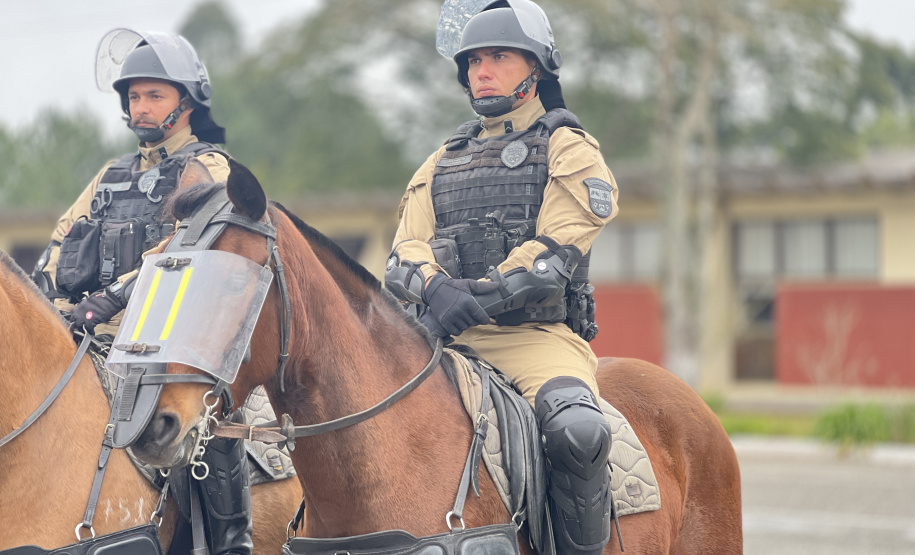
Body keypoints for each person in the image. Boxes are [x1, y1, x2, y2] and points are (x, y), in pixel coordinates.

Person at [384, 1, 618, 553]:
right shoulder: (441, 160)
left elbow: (553, 256)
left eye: (498, 57)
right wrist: (436, 289)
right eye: (472, 61)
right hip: (440, 338)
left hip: (533, 342)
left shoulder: (569, 148)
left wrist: (479, 296)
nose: (481, 71)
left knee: (577, 433)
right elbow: (401, 255)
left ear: (535, 68)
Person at [30, 30, 252, 555]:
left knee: (212, 415)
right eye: (134, 96)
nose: (142, 107)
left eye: (155, 95)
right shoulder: (110, 176)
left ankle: (229, 538)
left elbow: (188, 247)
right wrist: (45, 300)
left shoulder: (210, 168)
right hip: (95, 335)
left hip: (168, 340)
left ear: (187, 101)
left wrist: (114, 296)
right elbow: (62, 241)